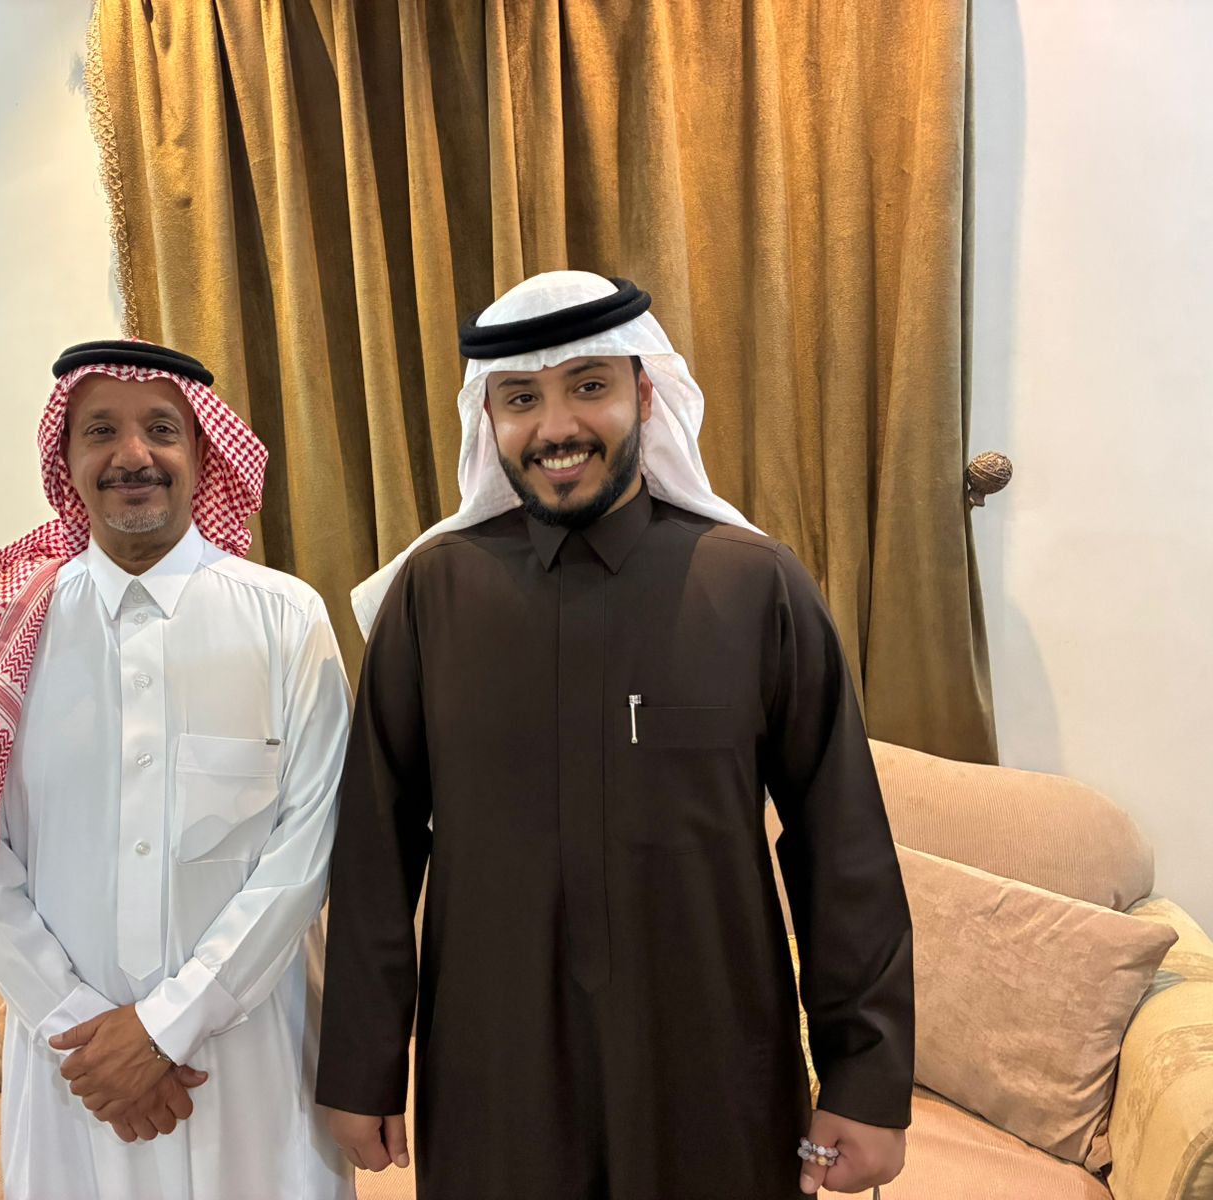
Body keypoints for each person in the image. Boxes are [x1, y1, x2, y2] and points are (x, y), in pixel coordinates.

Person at [316, 272, 913, 1198]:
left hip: (713, 1065)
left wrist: (865, 1076)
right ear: (489, 418)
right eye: (522, 398)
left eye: (588, 386)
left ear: (646, 391)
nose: (556, 426)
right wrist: (363, 1064)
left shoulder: (755, 585)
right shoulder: (432, 596)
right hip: (494, 1071)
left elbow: (842, 846)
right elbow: (375, 851)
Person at [0, 339, 353, 1199]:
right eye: (100, 431)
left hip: (248, 1059)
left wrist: (165, 1029)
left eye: (161, 429)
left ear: (201, 453)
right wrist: (87, 1034)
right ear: (66, 459)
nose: (133, 455)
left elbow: (308, 852)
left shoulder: (285, 620)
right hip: (75, 1071)